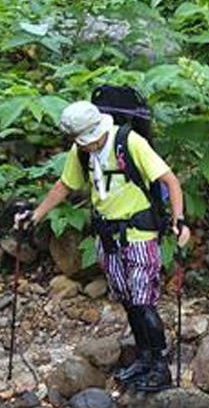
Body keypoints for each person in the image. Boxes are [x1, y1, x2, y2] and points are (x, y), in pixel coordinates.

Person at [15, 101, 189, 392]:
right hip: (107, 235)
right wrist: (35, 216)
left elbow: (170, 180)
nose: (87, 146)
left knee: (143, 298)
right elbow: (64, 186)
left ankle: (160, 366)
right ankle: (144, 357)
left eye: (89, 141)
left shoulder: (129, 142)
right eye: (81, 142)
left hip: (138, 233)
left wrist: (179, 220)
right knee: (127, 298)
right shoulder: (81, 151)